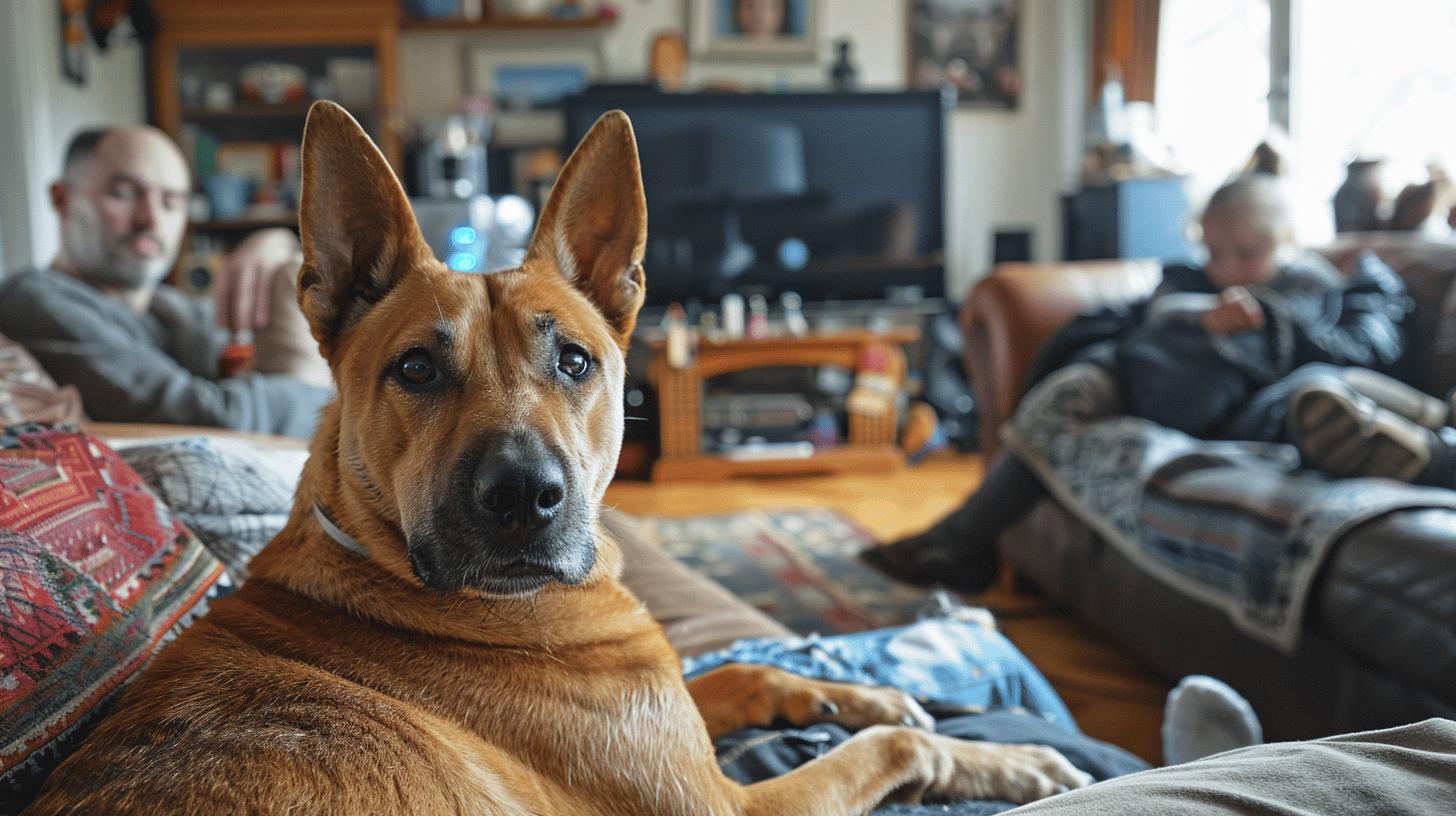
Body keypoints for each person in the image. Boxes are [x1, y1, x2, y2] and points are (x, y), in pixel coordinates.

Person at [863, 147, 1413, 593]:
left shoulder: (1309, 285)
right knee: (1069, 391)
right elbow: (1149, 318)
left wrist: (1263, 320)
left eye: (1246, 254)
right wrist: (1191, 314)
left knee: (1075, 402)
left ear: (1285, 242)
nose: (1227, 272)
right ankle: (961, 538)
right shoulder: (1193, 281)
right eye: (1216, 254)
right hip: (1151, 380)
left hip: (1216, 404)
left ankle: (961, 540)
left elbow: (1330, 350)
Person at [0, 126, 331, 437]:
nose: (152, 219)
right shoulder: (33, 300)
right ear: (62, 198)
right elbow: (209, 417)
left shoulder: (167, 305)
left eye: (172, 201)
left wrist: (278, 243)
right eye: (124, 193)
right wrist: (316, 394)